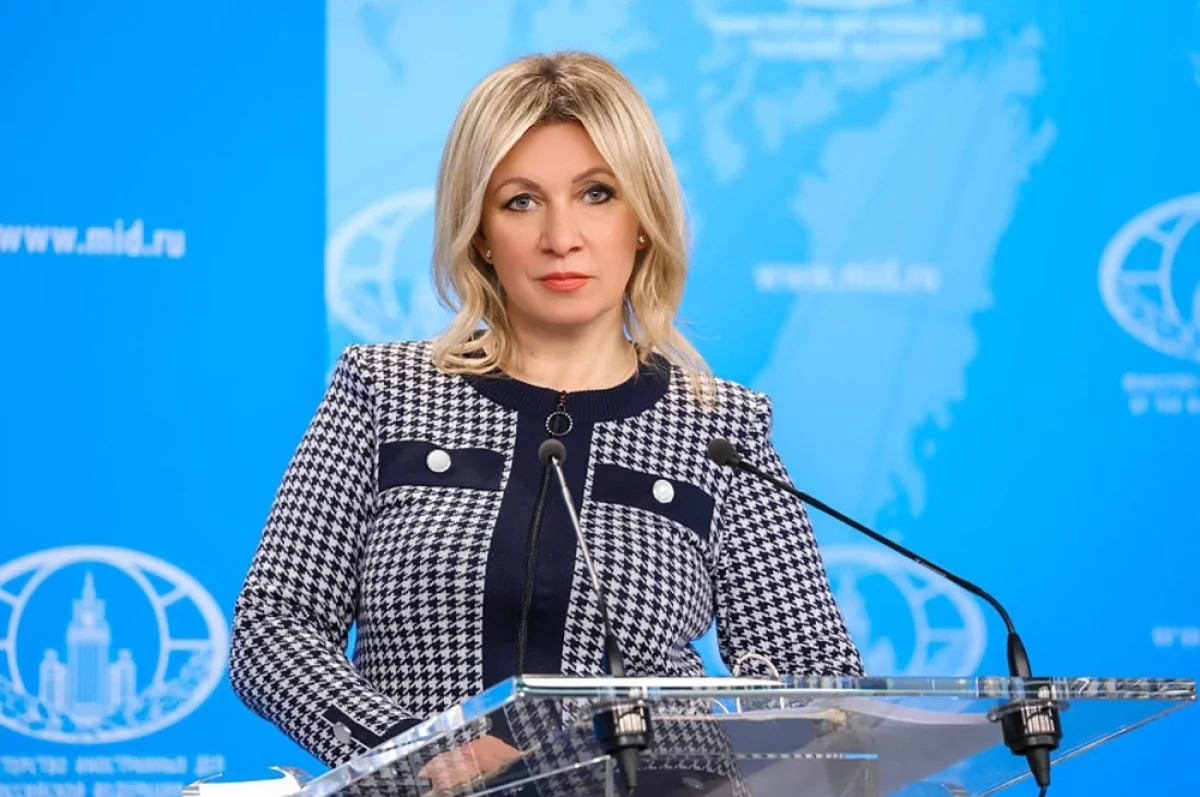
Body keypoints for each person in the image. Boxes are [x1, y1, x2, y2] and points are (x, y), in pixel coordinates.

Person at [227, 50, 864, 793]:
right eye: (521, 201)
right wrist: (420, 755)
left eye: (597, 194)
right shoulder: (384, 390)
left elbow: (817, 684)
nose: (562, 236)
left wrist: (608, 745)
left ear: (643, 221)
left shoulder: (720, 429)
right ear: (479, 231)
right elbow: (275, 625)